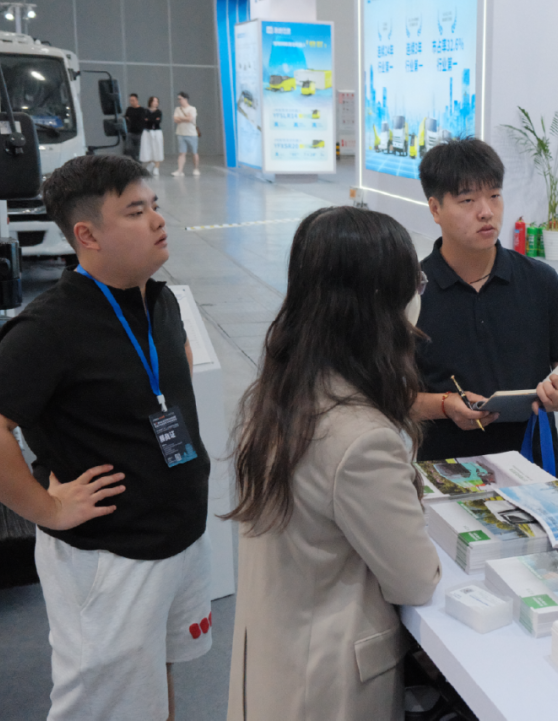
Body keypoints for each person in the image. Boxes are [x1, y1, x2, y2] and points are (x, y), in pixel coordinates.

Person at [0, 154, 210, 721]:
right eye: (135, 211)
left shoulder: (159, 300)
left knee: (154, 681)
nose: (157, 219)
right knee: (104, 706)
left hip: (177, 537)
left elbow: (171, 382)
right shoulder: (50, 326)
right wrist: (46, 509)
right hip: (110, 559)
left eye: (154, 205)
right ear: (87, 235)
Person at [225, 206, 440, 721]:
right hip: (327, 681)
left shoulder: (282, 390)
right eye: (414, 282)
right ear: (381, 302)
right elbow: (415, 579)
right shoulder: (361, 438)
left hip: (279, 656)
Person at [412, 138, 558, 477]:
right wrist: (444, 405)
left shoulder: (539, 281)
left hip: (535, 468)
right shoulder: (411, 291)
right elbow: (388, 397)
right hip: (447, 473)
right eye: (467, 200)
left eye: (494, 195)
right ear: (435, 209)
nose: (486, 212)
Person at [172, 91, 199, 177]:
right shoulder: (177, 109)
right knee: (182, 153)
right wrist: (185, 118)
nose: (179, 101)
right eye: (178, 99)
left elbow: (190, 119)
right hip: (180, 133)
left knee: (194, 152)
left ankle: (196, 169)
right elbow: (175, 120)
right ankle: (180, 170)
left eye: (180, 99)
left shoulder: (192, 109)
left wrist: (181, 118)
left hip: (192, 134)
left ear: (185, 99)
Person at [140, 95, 165, 176]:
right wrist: (152, 120)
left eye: (157, 101)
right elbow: (144, 120)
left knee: (158, 149)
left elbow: (157, 121)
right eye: (154, 101)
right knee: (147, 149)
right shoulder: (145, 111)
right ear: (150, 102)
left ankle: (156, 167)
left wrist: (150, 119)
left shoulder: (159, 112)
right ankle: (151, 163)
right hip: (147, 132)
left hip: (157, 132)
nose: (156, 103)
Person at [123, 93, 147, 161]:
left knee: (138, 150)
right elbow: (126, 118)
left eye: (133, 100)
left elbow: (144, 120)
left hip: (139, 133)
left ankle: (138, 162)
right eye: (130, 100)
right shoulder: (129, 109)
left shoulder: (142, 110)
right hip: (130, 132)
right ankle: (134, 160)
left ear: (137, 100)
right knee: (129, 148)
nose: (131, 102)